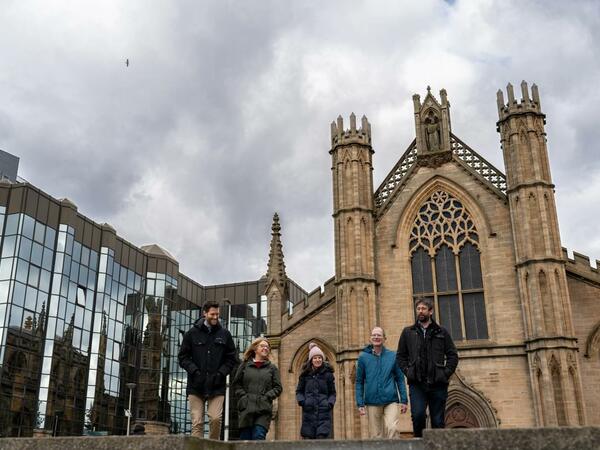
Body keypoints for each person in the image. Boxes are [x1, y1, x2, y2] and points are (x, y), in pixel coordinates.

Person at [396, 297, 459, 438]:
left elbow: (452, 355)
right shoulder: (408, 332)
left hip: (438, 384)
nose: (420, 311)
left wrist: (445, 373)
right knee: (418, 416)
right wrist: (408, 372)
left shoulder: (441, 332)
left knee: (438, 421)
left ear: (430, 311)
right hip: (417, 384)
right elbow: (400, 356)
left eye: (423, 308)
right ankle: (419, 444)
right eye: (418, 309)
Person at [178, 301, 237, 439]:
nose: (215, 317)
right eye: (212, 314)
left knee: (215, 419)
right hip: (196, 385)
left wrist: (221, 373)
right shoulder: (191, 334)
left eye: (217, 314)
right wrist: (194, 371)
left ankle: (213, 447)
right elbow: (183, 357)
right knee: (197, 422)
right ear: (204, 313)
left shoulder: (225, 335)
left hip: (217, 386)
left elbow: (231, 359)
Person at [355, 326, 408, 439]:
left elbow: (400, 379)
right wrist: (360, 403)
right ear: (370, 338)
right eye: (374, 335)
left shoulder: (392, 356)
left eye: (379, 335)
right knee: (376, 436)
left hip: (390, 400)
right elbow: (359, 381)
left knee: (392, 428)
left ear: (384, 338)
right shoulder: (363, 357)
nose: (376, 337)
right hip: (372, 401)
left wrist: (404, 400)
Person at [233, 337, 282, 440]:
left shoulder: (272, 368)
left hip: (263, 409)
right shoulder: (245, 365)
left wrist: (267, 397)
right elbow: (237, 384)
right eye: (262, 346)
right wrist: (243, 397)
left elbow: (278, 387)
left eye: (267, 347)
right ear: (255, 349)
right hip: (246, 408)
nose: (265, 348)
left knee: (258, 436)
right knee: (245, 439)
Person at [296, 342, 336, 439]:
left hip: (324, 413)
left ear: (322, 359)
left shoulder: (328, 375)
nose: (317, 360)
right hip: (308, 413)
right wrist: (302, 401)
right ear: (311, 360)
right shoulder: (305, 375)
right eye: (315, 358)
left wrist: (329, 403)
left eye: (319, 358)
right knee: (308, 441)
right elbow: (299, 391)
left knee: (321, 439)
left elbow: (332, 393)